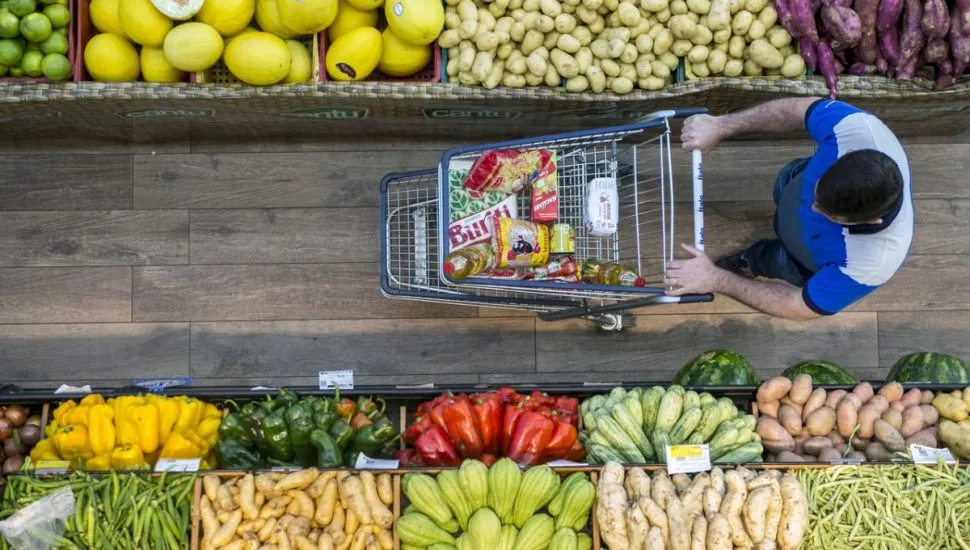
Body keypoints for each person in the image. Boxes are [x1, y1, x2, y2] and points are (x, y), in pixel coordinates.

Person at [664, 98, 913, 320]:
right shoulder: (855, 128)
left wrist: (715, 279)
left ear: (872, 222)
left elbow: (797, 305)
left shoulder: (873, 262)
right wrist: (720, 125)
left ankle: (751, 262)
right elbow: (794, 110)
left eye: (828, 215)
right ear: (847, 156)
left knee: (773, 260)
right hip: (792, 185)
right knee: (787, 181)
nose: (812, 208)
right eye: (816, 193)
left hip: (800, 259)